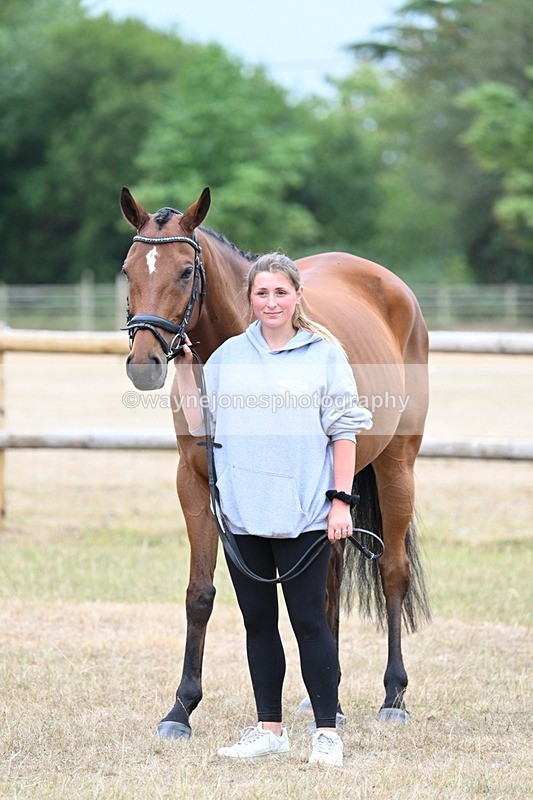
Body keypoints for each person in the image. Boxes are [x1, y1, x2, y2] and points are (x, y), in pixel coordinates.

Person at [175, 252, 373, 766]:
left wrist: (340, 502)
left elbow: (344, 432)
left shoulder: (325, 355)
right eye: (261, 294)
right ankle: (270, 729)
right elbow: (199, 423)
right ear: (249, 299)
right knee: (258, 625)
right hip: (243, 515)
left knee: (310, 623)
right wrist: (180, 365)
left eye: (280, 293)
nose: (271, 302)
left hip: (306, 512)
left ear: (297, 296)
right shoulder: (229, 358)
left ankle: (326, 731)